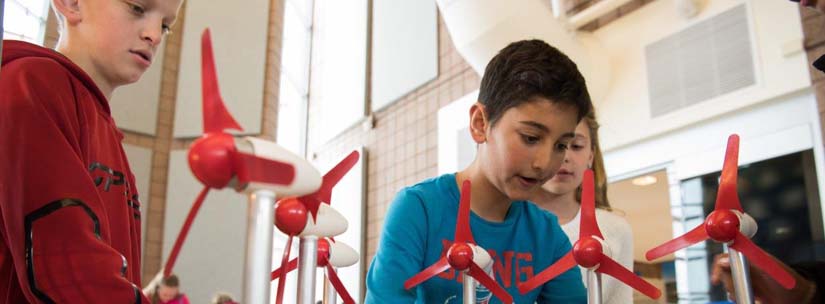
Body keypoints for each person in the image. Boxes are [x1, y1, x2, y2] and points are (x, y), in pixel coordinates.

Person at [365, 39, 591, 303]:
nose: (544, 162)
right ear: (480, 124)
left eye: (561, 145)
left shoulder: (547, 234)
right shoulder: (419, 210)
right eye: (530, 137)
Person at [0, 0, 182, 302]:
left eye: (165, 25)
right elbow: (64, 264)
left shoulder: (108, 133)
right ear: (72, 3)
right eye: (137, 8)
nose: (155, 35)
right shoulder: (29, 84)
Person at [530, 110, 634, 304]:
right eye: (557, 145)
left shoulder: (615, 229)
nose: (565, 156)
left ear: (590, 157)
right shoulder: (506, 222)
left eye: (576, 146)